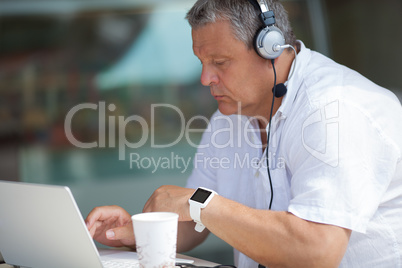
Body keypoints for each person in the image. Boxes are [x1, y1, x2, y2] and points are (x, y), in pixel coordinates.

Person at [85, 0, 402, 267]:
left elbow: (318, 250)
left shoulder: (336, 109)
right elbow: (196, 223)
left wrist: (200, 203)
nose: (205, 78)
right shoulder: (229, 117)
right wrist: (133, 232)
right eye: (202, 62)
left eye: (219, 62)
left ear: (271, 49)